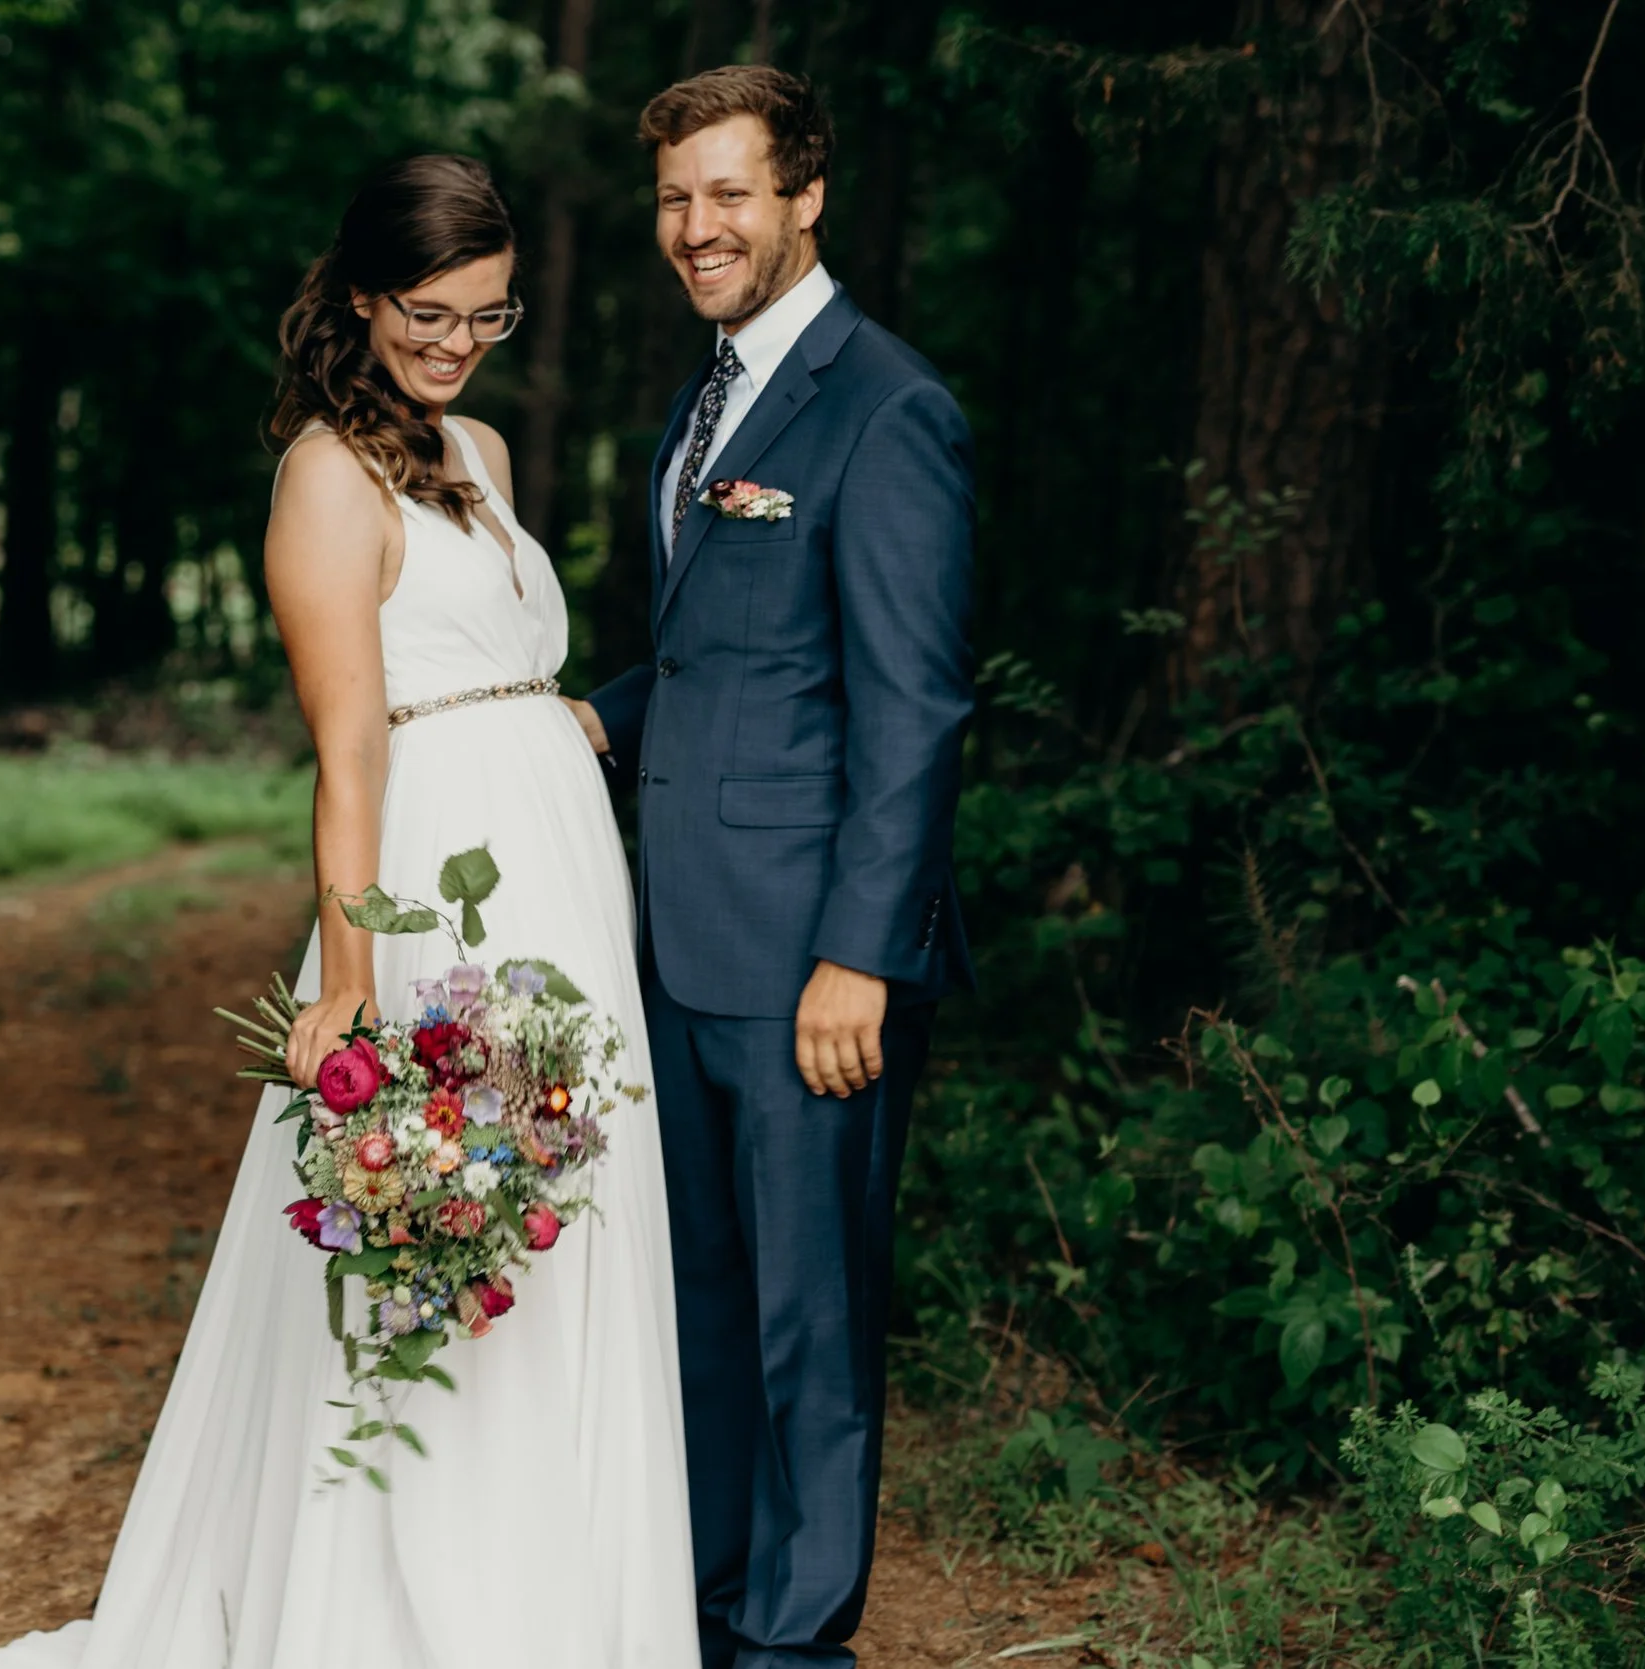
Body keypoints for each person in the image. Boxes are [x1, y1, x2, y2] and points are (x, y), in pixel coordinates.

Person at [0, 153, 699, 1669]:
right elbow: (351, 743)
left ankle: (572, 1605)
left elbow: (513, 666)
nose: (454, 345)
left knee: (568, 1225)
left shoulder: (477, 449)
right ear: (361, 296)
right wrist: (351, 971)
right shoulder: (322, 474)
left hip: (560, 876)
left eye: (486, 318)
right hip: (439, 888)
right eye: (427, 313)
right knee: (450, 1226)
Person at [576, 66, 977, 1669]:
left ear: (809, 197)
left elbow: (915, 704)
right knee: (705, 1319)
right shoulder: (707, 394)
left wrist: (860, 955)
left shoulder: (888, 406)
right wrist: (546, 732)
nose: (699, 227)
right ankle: (712, 1613)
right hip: (674, 944)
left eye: (731, 194)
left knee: (812, 1331)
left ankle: (799, 1646)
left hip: (811, 963)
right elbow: (712, 661)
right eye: (677, 198)